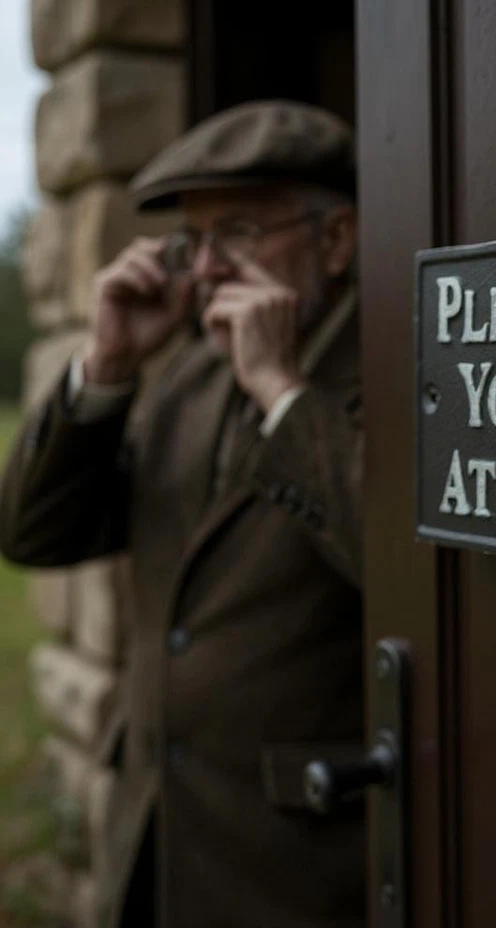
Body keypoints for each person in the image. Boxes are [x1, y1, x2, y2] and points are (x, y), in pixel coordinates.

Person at [0, 101, 365, 928]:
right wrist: (107, 364)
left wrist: (280, 390)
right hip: (152, 837)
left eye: (238, 232)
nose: (204, 269)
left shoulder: (398, 376)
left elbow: (403, 564)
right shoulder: (188, 375)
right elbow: (33, 532)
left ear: (336, 240)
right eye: (192, 241)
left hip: (297, 870)